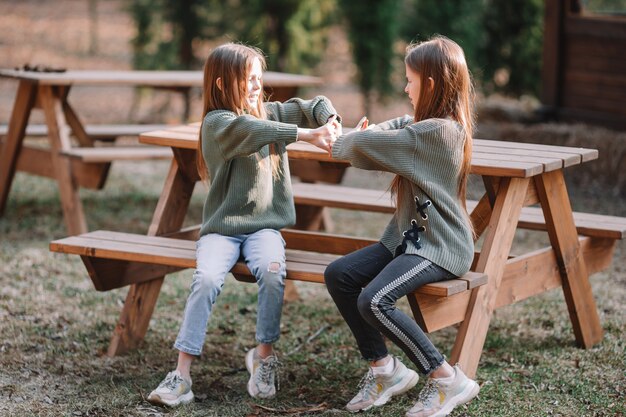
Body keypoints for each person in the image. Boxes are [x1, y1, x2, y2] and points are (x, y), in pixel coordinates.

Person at [147, 43, 341, 407]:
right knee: (205, 279)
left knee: (272, 270)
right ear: (223, 83)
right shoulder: (218, 124)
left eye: (259, 78)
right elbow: (254, 130)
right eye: (248, 79)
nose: (257, 85)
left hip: (264, 227)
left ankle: (263, 356)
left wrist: (331, 122)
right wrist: (307, 136)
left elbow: (312, 106)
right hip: (222, 228)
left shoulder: (268, 112)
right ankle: (182, 375)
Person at [324, 36, 480, 417]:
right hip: (410, 241)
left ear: (431, 82)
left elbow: (379, 144)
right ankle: (385, 370)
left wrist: (338, 139)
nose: (405, 87)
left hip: (440, 246)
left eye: (410, 80)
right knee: (340, 274)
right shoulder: (426, 124)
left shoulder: (438, 133)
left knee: (374, 300)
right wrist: (371, 128)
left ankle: (446, 378)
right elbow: (395, 127)